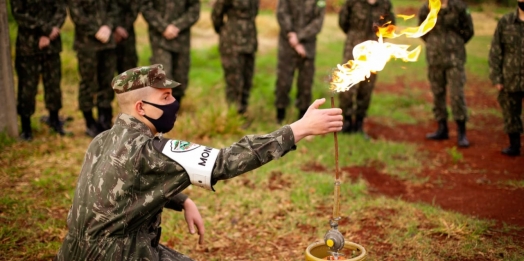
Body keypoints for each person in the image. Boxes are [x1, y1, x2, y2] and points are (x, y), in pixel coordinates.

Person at [54, 64, 343, 260]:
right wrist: (297, 130)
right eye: (165, 97)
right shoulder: (152, 150)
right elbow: (223, 162)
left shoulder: (102, 139)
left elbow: (125, 185)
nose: (174, 102)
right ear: (141, 107)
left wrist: (182, 201)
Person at [419, 0, 474, 147]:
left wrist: (454, 43)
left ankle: (461, 132)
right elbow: (422, 31)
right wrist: (434, 44)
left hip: (454, 59)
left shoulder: (459, 7)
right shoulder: (426, 8)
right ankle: (442, 128)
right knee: (437, 94)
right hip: (434, 59)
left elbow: (469, 31)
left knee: (457, 94)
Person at [11, 0, 67, 140]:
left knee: (53, 84)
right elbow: (18, 13)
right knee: (27, 87)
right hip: (28, 46)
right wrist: (46, 29)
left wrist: (49, 33)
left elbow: (61, 9)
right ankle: (26, 127)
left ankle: (54, 121)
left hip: (51, 45)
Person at [338, 0, 395, 137]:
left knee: (366, 88)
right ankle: (346, 121)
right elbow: (343, 21)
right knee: (347, 86)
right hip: (353, 47)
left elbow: (390, 25)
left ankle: (359, 122)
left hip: (373, 50)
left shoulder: (384, 3)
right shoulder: (353, 2)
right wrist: (355, 35)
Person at [67, 0, 119, 137]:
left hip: (108, 43)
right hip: (87, 44)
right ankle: (89, 121)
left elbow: (114, 7)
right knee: (88, 82)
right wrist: (96, 30)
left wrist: (108, 27)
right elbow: (76, 13)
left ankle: (105, 119)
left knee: (107, 81)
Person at [275, 0, 326, 123]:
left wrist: (299, 37)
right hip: (287, 44)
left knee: (305, 83)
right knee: (284, 80)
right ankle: (280, 115)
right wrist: (292, 36)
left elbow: (318, 22)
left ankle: (303, 116)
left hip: (307, 46)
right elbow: (282, 13)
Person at [141, 0, 200, 104]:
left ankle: (176, 108)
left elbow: (194, 9)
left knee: (180, 76)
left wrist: (177, 26)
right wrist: (163, 27)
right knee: (163, 75)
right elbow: (146, 7)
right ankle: (162, 109)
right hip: (159, 38)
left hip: (181, 38)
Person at [488, 0, 524, 156]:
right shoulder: (505, 21)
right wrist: (497, 78)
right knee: (510, 113)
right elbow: (496, 50)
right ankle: (514, 145)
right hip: (510, 78)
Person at [211, 0, 259, 115]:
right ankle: (233, 116)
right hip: (232, 42)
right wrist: (225, 31)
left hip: (250, 40)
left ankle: (243, 112)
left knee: (247, 79)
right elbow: (216, 14)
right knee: (234, 82)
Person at [114, 0, 140, 74]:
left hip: (127, 34)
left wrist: (122, 29)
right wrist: (113, 27)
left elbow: (135, 7)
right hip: (102, 34)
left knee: (129, 74)